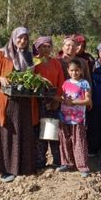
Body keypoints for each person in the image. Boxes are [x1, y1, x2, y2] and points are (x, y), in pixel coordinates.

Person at [0, 27, 38, 182]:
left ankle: (22, 167)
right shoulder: (0, 54)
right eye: (20, 38)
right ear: (13, 38)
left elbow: (33, 75)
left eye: (25, 39)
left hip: (24, 103)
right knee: (6, 134)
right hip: (6, 102)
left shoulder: (29, 57)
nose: (22, 41)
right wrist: (0, 79)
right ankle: (5, 169)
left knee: (22, 133)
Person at [33, 36, 65, 169]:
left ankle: (57, 160)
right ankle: (40, 160)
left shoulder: (56, 63)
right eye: (42, 46)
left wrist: (56, 100)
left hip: (52, 100)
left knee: (52, 131)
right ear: (37, 47)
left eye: (48, 46)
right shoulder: (34, 62)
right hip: (37, 100)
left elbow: (61, 82)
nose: (46, 49)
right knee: (39, 132)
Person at [57, 59, 92, 177]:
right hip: (64, 116)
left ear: (81, 71)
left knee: (79, 140)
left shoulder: (84, 83)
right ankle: (67, 163)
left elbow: (88, 100)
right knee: (65, 140)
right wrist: (61, 99)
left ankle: (82, 166)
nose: (74, 73)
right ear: (68, 71)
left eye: (77, 70)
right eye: (72, 70)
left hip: (78, 118)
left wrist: (74, 102)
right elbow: (62, 97)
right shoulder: (65, 83)